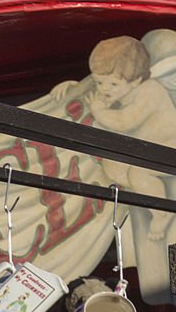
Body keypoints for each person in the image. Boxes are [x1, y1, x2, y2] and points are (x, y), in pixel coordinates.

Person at [49, 36, 175, 240]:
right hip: (148, 149)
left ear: (136, 81)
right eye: (99, 82)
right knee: (119, 170)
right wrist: (73, 88)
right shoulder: (123, 89)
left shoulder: (150, 91)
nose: (104, 89)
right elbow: (91, 94)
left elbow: (125, 121)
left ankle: (162, 213)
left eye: (113, 84)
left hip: (168, 147)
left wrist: (99, 111)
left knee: (138, 175)